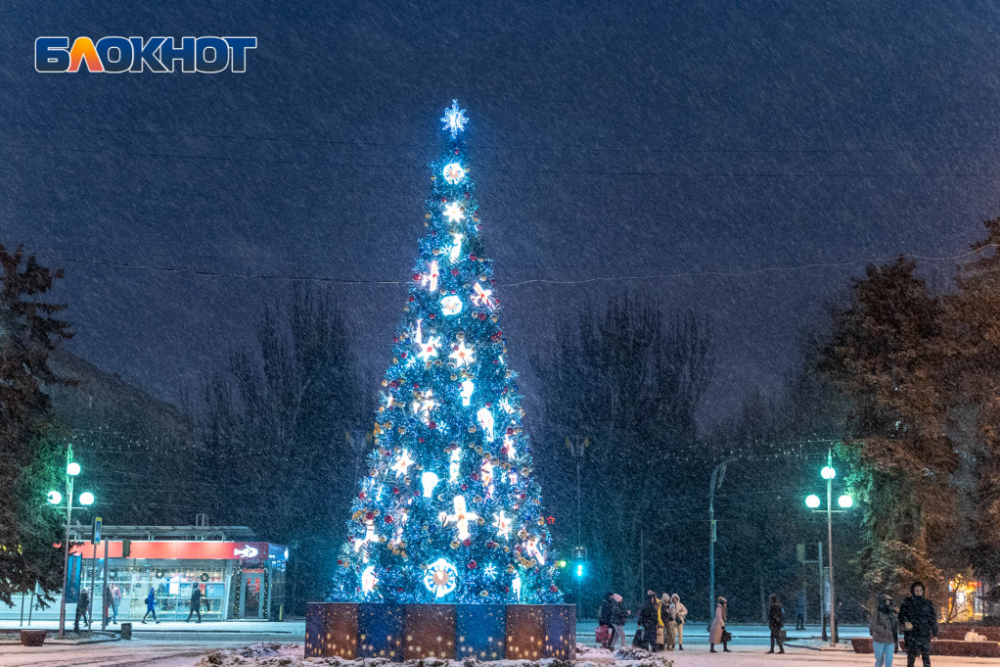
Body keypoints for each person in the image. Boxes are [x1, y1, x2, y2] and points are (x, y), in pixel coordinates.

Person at [898, 582, 937, 667]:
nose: (919, 592)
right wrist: (906, 622)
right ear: (913, 591)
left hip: (924, 634)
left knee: (926, 657)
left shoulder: (927, 603)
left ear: (923, 591)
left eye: (920, 590)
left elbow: (932, 619)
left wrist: (935, 633)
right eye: (916, 590)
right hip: (911, 634)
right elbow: (901, 616)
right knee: (911, 658)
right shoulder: (907, 603)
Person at [870, 593, 898, 667]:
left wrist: (896, 642)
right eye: (886, 602)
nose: (887, 604)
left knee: (889, 661)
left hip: (890, 640)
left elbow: (895, 627)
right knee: (879, 661)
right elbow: (873, 626)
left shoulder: (892, 614)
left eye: (889, 602)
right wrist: (884, 630)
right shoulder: (877, 613)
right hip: (879, 640)